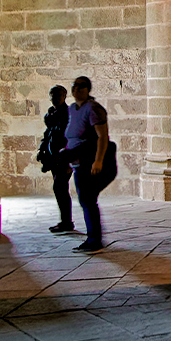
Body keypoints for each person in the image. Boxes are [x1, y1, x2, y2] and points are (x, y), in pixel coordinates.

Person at [64, 75, 116, 252]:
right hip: (77, 162)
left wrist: (98, 160)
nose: (77, 89)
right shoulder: (72, 109)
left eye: (81, 86)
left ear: (88, 89)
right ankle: (93, 237)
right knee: (86, 199)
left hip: (89, 161)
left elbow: (102, 136)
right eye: (74, 86)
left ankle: (94, 239)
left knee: (88, 200)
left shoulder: (93, 108)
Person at [35, 85, 74, 233]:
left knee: (60, 187)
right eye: (52, 95)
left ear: (64, 96)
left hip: (64, 157)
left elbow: (71, 136)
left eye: (58, 95)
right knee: (60, 188)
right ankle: (65, 221)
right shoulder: (51, 114)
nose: (55, 98)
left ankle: (67, 222)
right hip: (53, 157)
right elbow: (49, 133)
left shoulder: (69, 114)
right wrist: (42, 148)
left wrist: (70, 159)